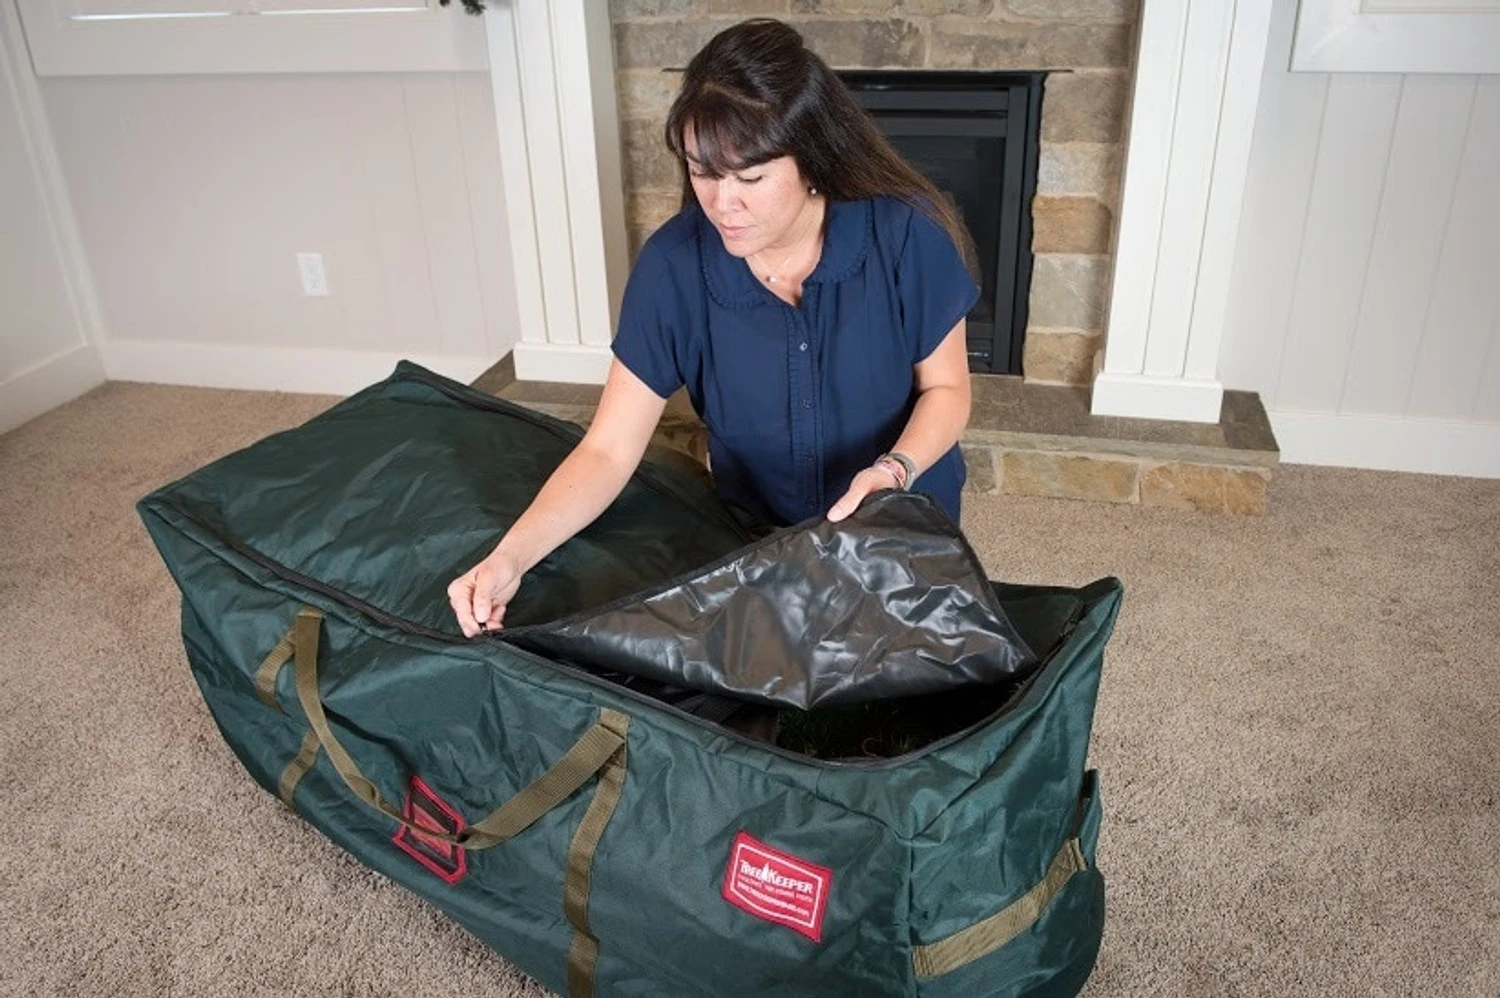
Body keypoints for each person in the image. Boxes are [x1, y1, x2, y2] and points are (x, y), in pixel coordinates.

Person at [450, 17, 979, 637]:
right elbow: (608, 449)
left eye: (751, 178)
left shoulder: (905, 233)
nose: (723, 204)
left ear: (812, 160)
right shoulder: (673, 267)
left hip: (900, 523)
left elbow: (948, 389)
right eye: (703, 172)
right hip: (758, 541)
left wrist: (893, 471)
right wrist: (510, 559)